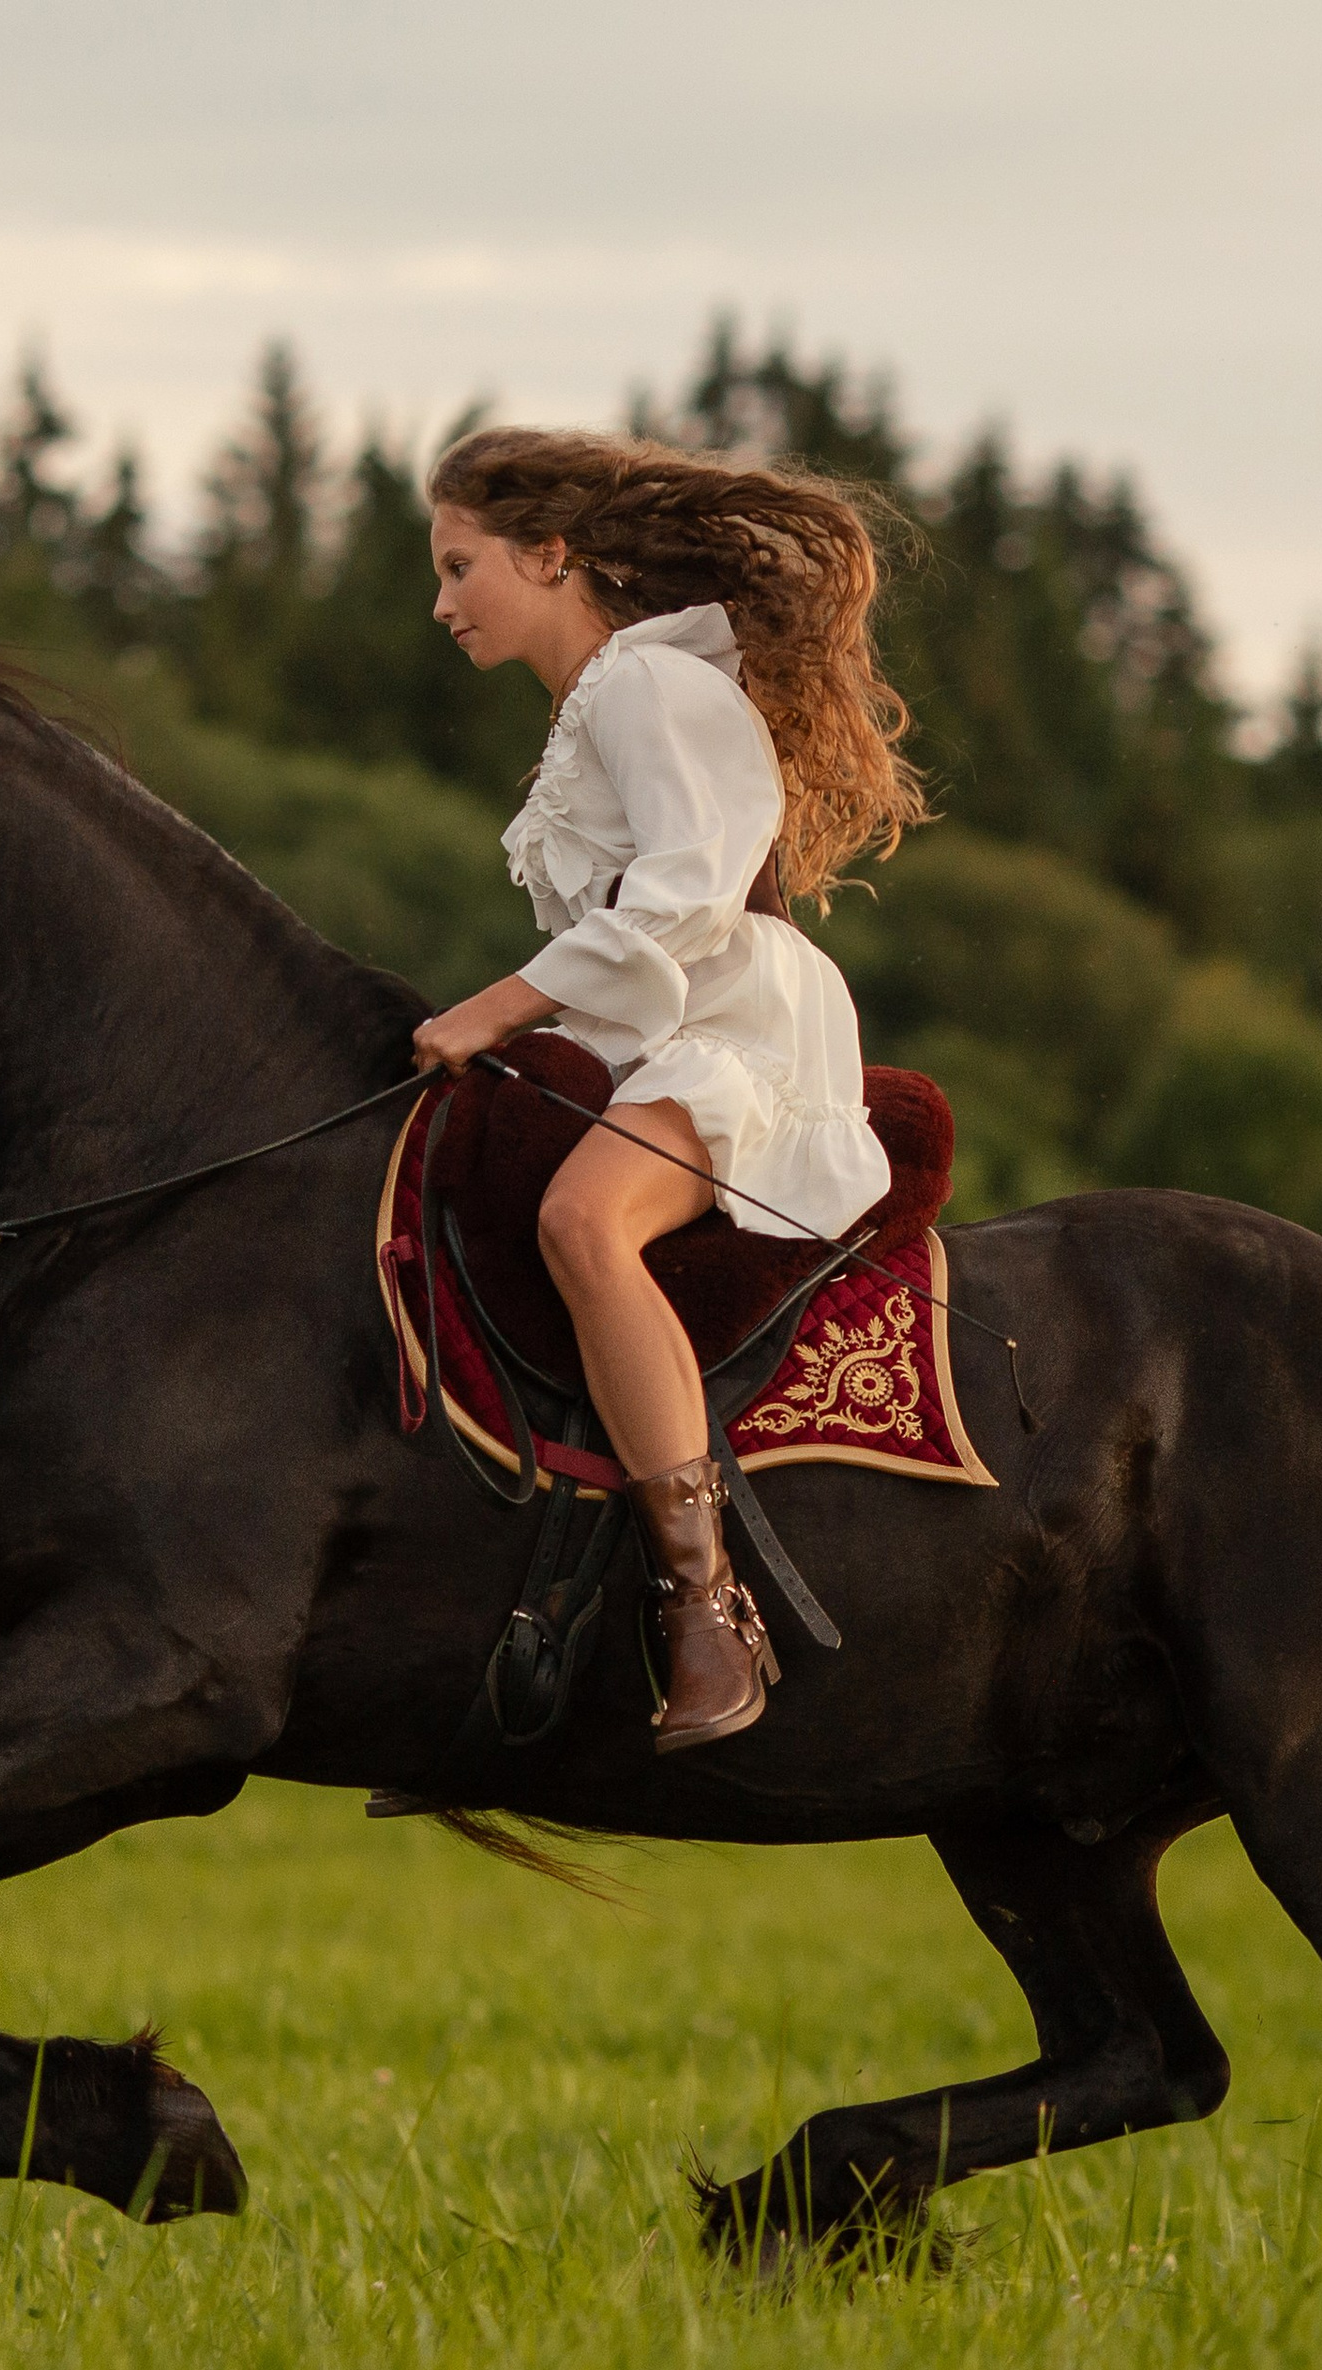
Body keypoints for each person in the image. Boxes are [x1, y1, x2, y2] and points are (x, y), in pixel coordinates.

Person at [415, 428, 927, 1753]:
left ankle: (708, 1611)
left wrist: (497, 1005)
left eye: (462, 567)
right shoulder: (597, 701)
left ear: (550, 554)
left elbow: (690, 893)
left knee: (583, 1222)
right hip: (651, 1035)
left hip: (733, 1026)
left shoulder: (645, 686)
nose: (443, 603)